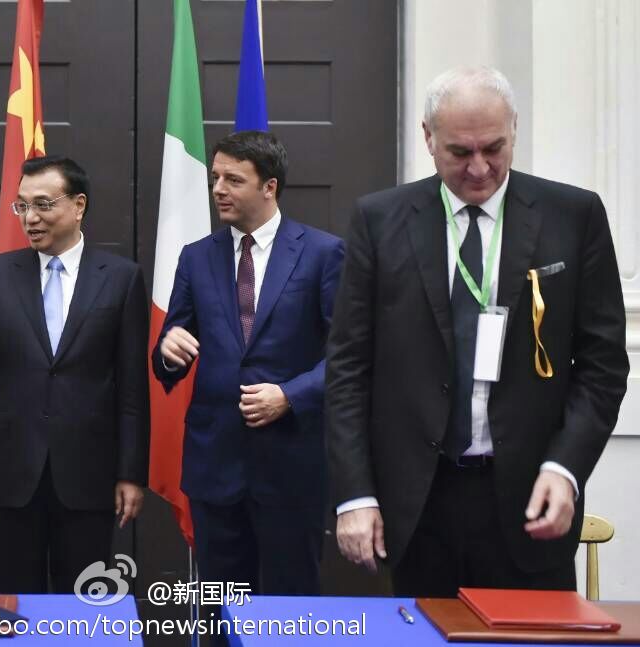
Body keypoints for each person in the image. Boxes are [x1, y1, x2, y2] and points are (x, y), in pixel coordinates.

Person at [327, 66, 628, 596]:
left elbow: (602, 366)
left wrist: (566, 467)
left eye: (494, 148)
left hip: (530, 499)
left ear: (514, 129)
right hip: (418, 506)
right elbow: (349, 368)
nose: (479, 168)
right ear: (428, 137)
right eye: (459, 152)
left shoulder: (573, 215)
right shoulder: (380, 220)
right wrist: (356, 493)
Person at [0, 155, 149, 594]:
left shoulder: (121, 279)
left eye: (42, 204)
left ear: (78, 205)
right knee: (17, 602)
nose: (30, 218)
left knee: (83, 608)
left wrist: (131, 473)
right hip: (13, 476)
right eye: (22, 206)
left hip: (89, 477)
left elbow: (133, 388)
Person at [152, 130, 344, 595]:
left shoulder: (322, 253)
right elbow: (170, 353)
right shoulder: (196, 257)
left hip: (290, 467)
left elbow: (348, 357)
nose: (218, 188)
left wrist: (290, 395)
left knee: (288, 609)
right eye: (215, 178)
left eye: (233, 180)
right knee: (220, 606)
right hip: (215, 467)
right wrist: (168, 349)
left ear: (269, 186)